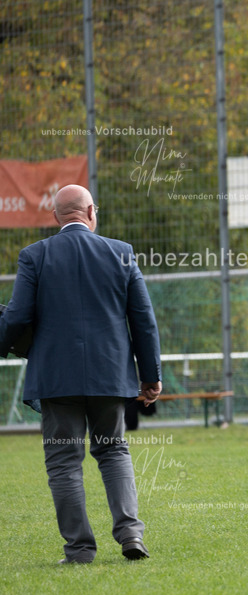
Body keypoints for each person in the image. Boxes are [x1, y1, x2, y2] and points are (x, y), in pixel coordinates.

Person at [0, 185, 162, 564]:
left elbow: (18, 317)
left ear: (56, 217)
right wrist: (150, 374)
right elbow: (143, 319)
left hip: (56, 378)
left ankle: (80, 549)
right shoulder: (121, 253)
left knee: (63, 461)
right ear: (91, 212)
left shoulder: (34, 256)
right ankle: (130, 534)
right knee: (114, 451)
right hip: (110, 375)